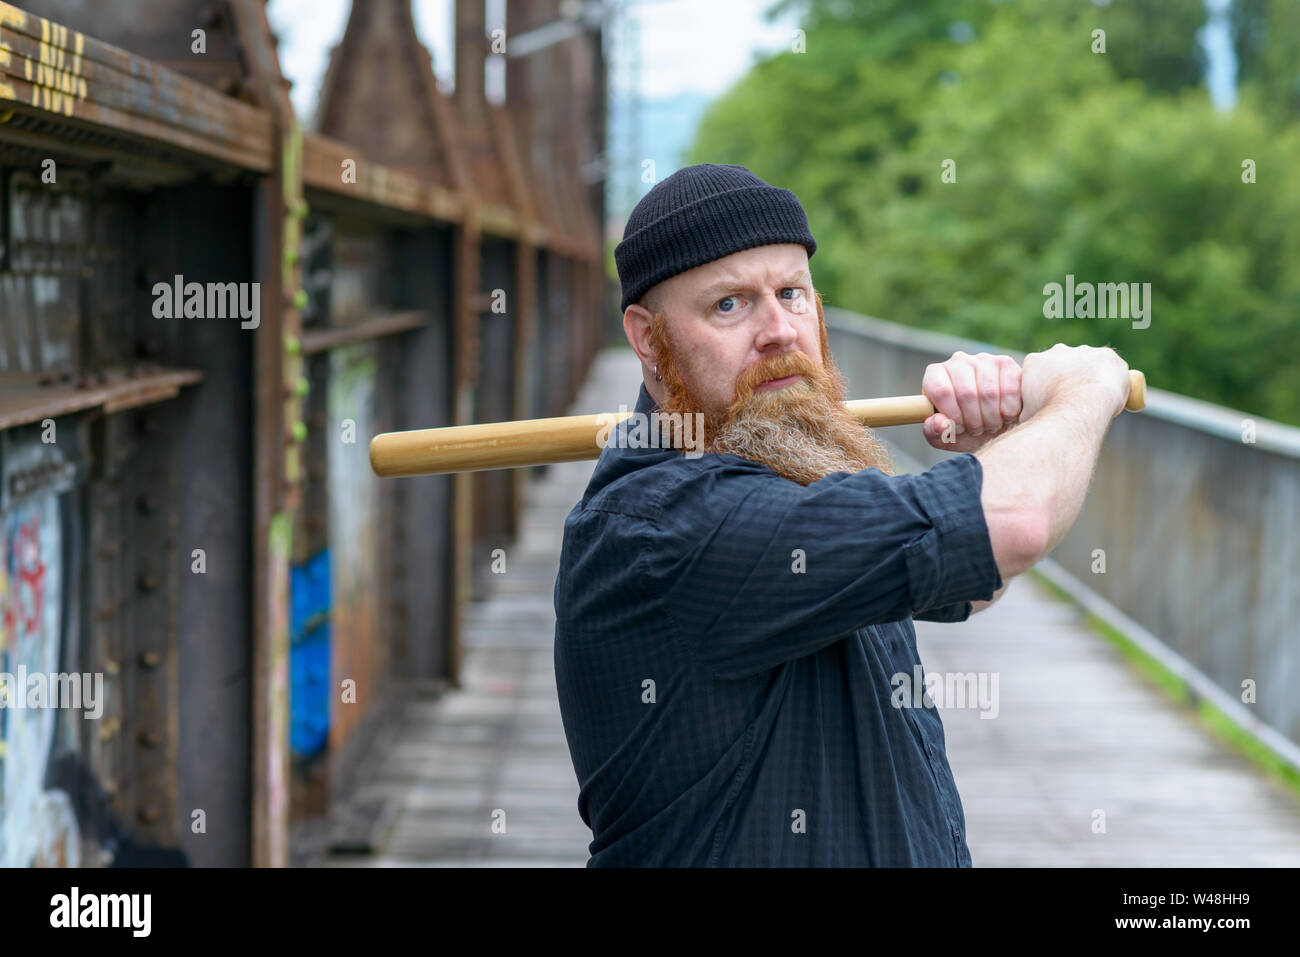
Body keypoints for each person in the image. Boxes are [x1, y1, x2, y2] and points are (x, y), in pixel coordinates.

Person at [553, 163, 1131, 866]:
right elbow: (1016, 523)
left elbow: (971, 582)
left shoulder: (787, 471)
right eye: (729, 305)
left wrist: (992, 452)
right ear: (648, 339)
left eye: (791, 293)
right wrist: (1082, 388)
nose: (779, 331)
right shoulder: (663, 525)